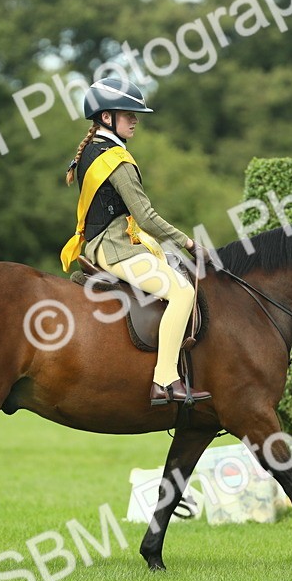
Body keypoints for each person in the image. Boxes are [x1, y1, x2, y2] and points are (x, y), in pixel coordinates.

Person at [59, 77, 210, 406]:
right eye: (128, 114)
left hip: (107, 243)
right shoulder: (115, 159)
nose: (135, 120)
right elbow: (145, 216)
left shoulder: (96, 151)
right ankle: (165, 380)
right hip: (116, 249)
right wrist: (187, 243)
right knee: (183, 293)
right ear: (107, 118)